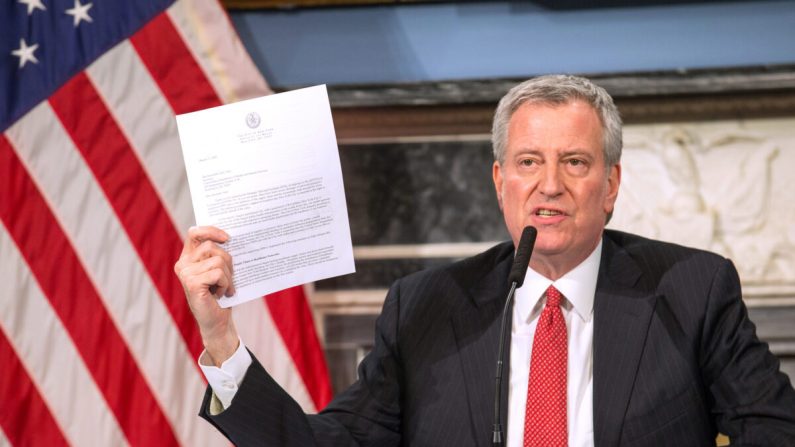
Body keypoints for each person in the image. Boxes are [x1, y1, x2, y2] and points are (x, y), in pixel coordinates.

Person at [174, 75, 795, 446]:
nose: (549, 184)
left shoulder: (691, 288)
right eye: (529, 162)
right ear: (500, 182)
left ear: (610, 186)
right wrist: (221, 339)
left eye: (574, 162)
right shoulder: (426, 306)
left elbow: (775, 430)